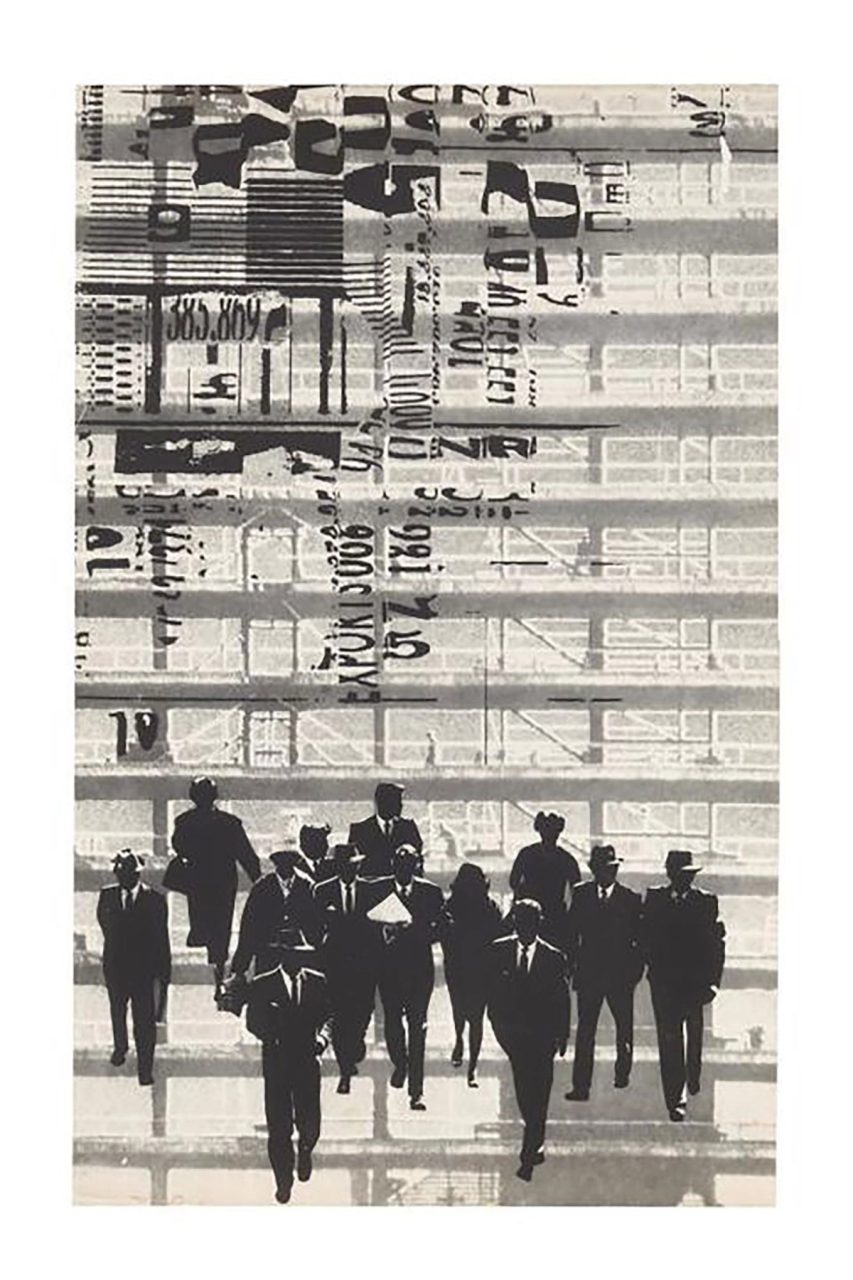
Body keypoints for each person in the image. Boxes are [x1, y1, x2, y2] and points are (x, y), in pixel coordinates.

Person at [218, 928, 332, 1205]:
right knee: (279, 1128)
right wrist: (275, 1035)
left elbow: (330, 1016)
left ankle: (305, 1150)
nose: (300, 959)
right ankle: (283, 1181)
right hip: (278, 1063)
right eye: (295, 954)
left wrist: (321, 1039)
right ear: (283, 955)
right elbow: (253, 1022)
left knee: (310, 1122)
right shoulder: (262, 985)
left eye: (302, 955)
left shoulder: (318, 982)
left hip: (308, 1060)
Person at [486, 898, 569, 1181]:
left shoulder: (555, 957)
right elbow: (493, 998)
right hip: (514, 1038)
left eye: (531, 924)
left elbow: (562, 1001)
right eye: (521, 923)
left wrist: (562, 1036)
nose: (525, 929)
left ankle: (530, 1152)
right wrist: (501, 1031)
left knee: (541, 1092)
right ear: (515, 923)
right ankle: (535, 1137)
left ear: (539, 924)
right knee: (524, 1091)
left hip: (543, 1038)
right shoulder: (498, 951)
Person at [643, 850, 726, 1121]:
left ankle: (693, 1078)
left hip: (694, 983)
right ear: (669, 874)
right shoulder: (654, 899)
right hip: (664, 983)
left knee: (694, 1036)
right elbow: (644, 937)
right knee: (669, 1041)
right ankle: (675, 1099)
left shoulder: (706, 902)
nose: (685, 880)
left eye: (689, 876)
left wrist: (713, 982)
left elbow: (716, 945)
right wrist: (651, 967)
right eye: (680, 875)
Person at [564, 845, 644, 1101]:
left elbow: (639, 941)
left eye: (613, 868)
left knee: (624, 1030)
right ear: (594, 870)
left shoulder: (630, 899)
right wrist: (573, 965)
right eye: (604, 868)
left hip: (620, 978)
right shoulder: (581, 894)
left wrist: (633, 974)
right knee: (586, 1032)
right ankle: (581, 1087)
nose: (609, 872)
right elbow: (572, 934)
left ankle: (622, 1077)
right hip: (589, 976)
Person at [169, 777, 261, 994]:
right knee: (221, 929)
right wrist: (258, 881)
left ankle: (215, 965)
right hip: (222, 882)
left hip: (200, 882)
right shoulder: (229, 822)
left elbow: (179, 845)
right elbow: (247, 855)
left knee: (206, 924)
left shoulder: (184, 821)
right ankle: (219, 973)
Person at [373, 845, 443, 1110]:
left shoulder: (431, 893)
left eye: (409, 862)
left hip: (418, 971)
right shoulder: (378, 890)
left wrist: (416, 929)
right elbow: (366, 924)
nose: (404, 868)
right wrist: (383, 933)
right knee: (392, 1022)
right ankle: (400, 1064)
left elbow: (441, 928)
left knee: (418, 1028)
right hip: (389, 969)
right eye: (399, 862)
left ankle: (417, 1091)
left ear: (416, 865)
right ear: (393, 864)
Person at [314, 844, 385, 1093]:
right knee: (340, 1016)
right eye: (343, 866)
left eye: (352, 866)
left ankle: (352, 1054)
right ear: (337, 867)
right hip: (335, 966)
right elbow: (315, 928)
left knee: (360, 1016)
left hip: (365, 967)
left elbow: (385, 923)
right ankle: (345, 1070)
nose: (348, 870)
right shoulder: (322, 891)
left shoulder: (372, 891)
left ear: (358, 866)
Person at [97, 850, 171, 1086]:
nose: (124, 878)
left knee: (145, 1022)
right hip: (117, 967)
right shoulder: (107, 896)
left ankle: (144, 1069)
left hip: (144, 971)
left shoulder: (155, 900)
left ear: (137, 874)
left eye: (128, 873)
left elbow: (162, 938)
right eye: (120, 873)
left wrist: (163, 974)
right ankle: (120, 1048)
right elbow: (105, 924)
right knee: (117, 1012)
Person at [438, 862, 503, 1087]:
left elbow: (499, 938)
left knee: (472, 1016)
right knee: (467, 1014)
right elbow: (443, 933)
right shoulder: (456, 907)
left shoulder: (486, 907)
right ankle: (460, 1042)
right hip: (465, 967)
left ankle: (471, 1064)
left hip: (473, 969)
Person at [230, 847, 320, 979]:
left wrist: (315, 953)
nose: (285, 868)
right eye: (281, 863)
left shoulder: (307, 885)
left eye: (289, 863)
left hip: (300, 955)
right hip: (268, 953)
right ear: (275, 863)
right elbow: (249, 927)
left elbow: (315, 922)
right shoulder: (262, 887)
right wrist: (240, 968)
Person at [509, 812, 581, 947]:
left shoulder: (528, 854)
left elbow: (577, 890)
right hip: (535, 916)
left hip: (552, 917)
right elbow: (514, 883)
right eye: (546, 829)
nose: (549, 835)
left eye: (552, 830)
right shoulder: (565, 859)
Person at [348, 782, 423, 878]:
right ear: (380, 802)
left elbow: (418, 864)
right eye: (396, 801)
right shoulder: (359, 831)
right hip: (371, 890)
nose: (401, 805)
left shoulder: (409, 829)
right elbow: (352, 868)